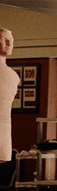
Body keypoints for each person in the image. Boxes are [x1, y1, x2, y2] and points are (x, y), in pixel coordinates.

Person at [0, 27, 19, 162]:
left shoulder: (13, 76)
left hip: (5, 125)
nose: (9, 44)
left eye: (11, 41)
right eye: (5, 41)